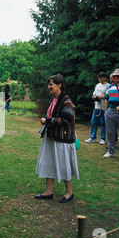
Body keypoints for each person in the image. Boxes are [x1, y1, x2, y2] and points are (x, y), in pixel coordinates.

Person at [35, 74, 79, 203]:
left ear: (59, 85)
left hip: (63, 139)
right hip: (51, 136)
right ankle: (48, 192)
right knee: (48, 161)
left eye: (51, 85)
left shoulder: (66, 101)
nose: (49, 87)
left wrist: (47, 120)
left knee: (64, 163)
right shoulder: (53, 99)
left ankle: (69, 193)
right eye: (49, 84)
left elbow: (65, 119)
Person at [103, 68, 119, 160]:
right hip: (111, 111)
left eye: (117, 76)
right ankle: (110, 151)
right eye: (114, 76)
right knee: (110, 133)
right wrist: (106, 111)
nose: (115, 78)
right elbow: (106, 99)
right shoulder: (110, 87)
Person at [85, 72, 109, 144]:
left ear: (105, 78)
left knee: (103, 123)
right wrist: (94, 97)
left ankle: (103, 138)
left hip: (103, 107)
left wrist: (103, 97)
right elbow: (94, 93)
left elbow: (109, 96)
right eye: (99, 78)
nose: (100, 80)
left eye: (101, 78)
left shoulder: (108, 86)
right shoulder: (97, 85)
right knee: (94, 122)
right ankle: (92, 137)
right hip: (97, 106)